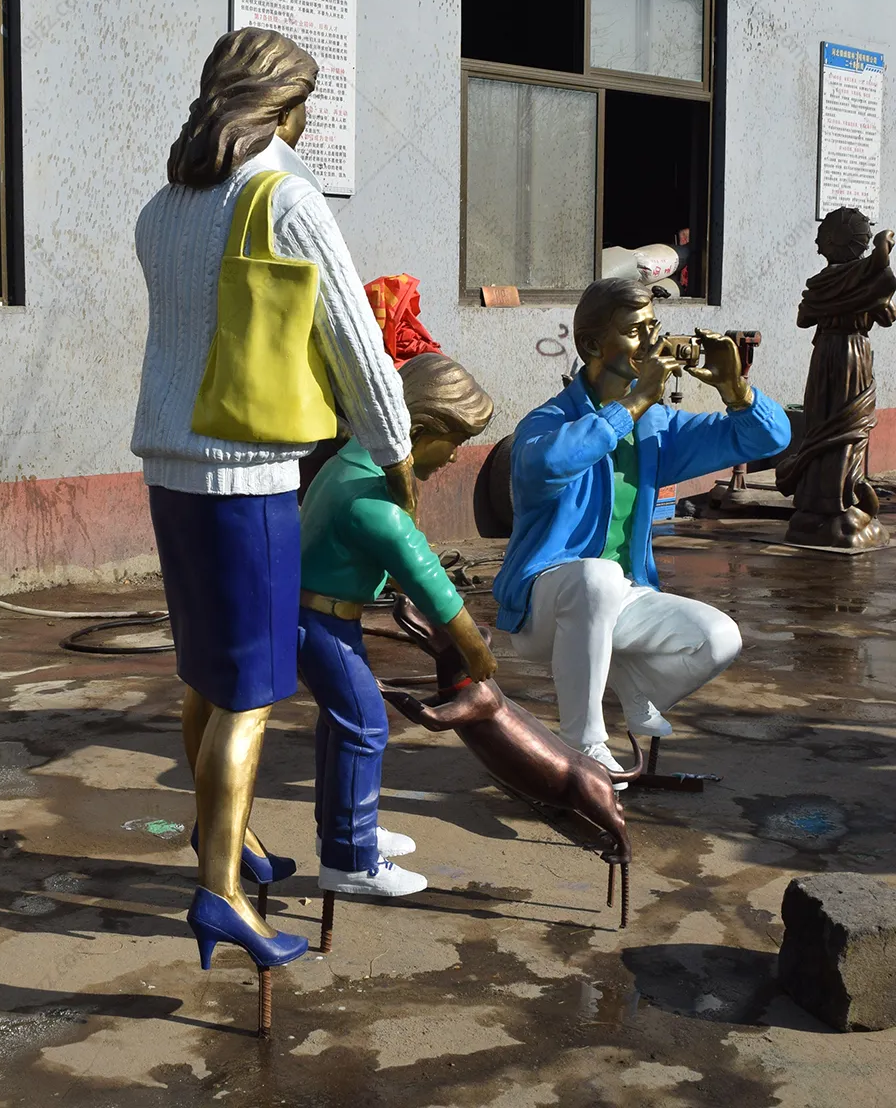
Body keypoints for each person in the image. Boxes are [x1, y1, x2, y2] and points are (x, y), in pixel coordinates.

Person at [132, 28, 418, 971]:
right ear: (283, 107)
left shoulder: (163, 207)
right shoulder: (283, 197)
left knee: (203, 677)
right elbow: (354, 341)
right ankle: (219, 895)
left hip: (170, 467)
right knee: (251, 695)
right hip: (246, 475)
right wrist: (396, 449)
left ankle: (232, 838)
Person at [491, 278, 791, 786]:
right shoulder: (547, 421)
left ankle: (634, 690)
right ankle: (583, 743)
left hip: (616, 595)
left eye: (654, 328)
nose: (651, 343)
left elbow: (768, 437)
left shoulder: (656, 430)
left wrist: (735, 390)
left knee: (718, 638)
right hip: (543, 606)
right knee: (597, 577)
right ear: (590, 346)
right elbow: (546, 466)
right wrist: (633, 403)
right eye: (635, 331)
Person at [299, 353, 498, 895]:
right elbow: (428, 579)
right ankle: (350, 861)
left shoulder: (352, 465)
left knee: (343, 725)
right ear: (418, 428)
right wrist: (475, 652)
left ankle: (341, 832)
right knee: (365, 729)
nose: (456, 454)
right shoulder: (374, 505)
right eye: (453, 438)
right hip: (323, 624)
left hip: (323, 619)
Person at [776, 209, 895, 549]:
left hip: (826, 352)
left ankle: (820, 498)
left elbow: (804, 317)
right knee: (847, 425)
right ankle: (843, 495)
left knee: (826, 421)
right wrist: (869, 286)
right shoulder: (865, 281)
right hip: (855, 353)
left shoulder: (823, 283)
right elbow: (887, 315)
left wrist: (842, 301)